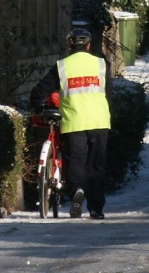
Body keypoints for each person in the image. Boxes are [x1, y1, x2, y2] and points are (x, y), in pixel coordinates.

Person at [30, 26, 112, 220]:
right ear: (89, 45)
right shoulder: (101, 64)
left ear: (70, 46)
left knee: (76, 161)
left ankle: (77, 190)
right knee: (96, 165)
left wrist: (36, 106)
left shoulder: (62, 66)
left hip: (74, 121)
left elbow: (39, 91)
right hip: (99, 121)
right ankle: (96, 208)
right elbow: (109, 93)